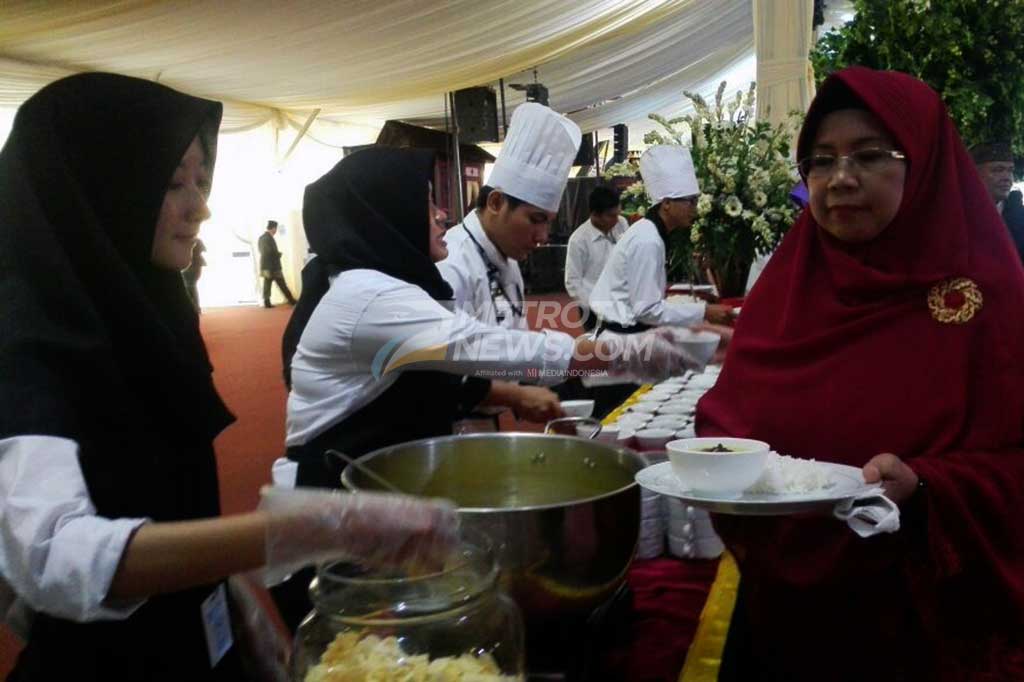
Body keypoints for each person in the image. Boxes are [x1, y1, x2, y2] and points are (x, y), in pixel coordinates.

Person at [0, 74, 460, 682]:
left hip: (187, 638)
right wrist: (296, 530)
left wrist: (230, 594)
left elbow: (167, 499)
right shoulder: (27, 336)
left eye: (202, 178)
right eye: (171, 183)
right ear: (97, 187)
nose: (201, 206)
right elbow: (53, 556)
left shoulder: (145, 307)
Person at [274, 146, 704, 628]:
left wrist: (520, 392)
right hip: (338, 518)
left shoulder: (387, 283)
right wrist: (627, 355)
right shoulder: (369, 295)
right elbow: (483, 348)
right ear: (386, 213)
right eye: (426, 204)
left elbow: (447, 374)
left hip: (379, 504)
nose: (442, 215)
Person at [697, 67, 1024, 680]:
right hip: (784, 623)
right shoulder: (792, 283)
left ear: (924, 163)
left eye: (869, 156)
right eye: (820, 161)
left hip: (921, 626)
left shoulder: (989, 297)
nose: (840, 179)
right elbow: (728, 408)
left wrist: (927, 488)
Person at [437, 102, 581, 422]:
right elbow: (441, 370)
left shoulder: (507, 256)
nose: (543, 236)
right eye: (535, 219)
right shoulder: (452, 263)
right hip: (457, 432)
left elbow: (514, 350)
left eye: (549, 223)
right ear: (496, 202)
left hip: (500, 424)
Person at [586, 146, 735, 415]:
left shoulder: (648, 232)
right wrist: (704, 311)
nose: (694, 208)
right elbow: (648, 310)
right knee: (617, 417)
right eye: (688, 201)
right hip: (624, 341)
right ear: (666, 203)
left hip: (626, 337)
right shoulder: (648, 240)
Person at [564, 185, 628, 332]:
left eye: (617, 214)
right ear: (594, 214)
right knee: (600, 349)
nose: (616, 219)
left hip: (621, 300)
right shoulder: (579, 240)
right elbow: (572, 282)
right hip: (594, 309)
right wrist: (595, 307)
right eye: (611, 216)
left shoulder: (622, 224)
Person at [969, 141, 1024, 262]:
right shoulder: (958, 214)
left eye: (1010, 170)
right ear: (973, 173)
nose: (1007, 178)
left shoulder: (1020, 216)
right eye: (998, 170)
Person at [258, 219, 296, 307]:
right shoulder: (267, 238)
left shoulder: (262, 238)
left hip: (267, 266)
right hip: (272, 266)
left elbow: (263, 251)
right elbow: (268, 251)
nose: (276, 231)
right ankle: (291, 300)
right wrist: (278, 254)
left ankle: (267, 302)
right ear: (273, 228)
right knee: (281, 283)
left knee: (267, 284)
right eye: (275, 228)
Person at [182, 237, 206, 312]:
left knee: (191, 286)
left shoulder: (190, 240)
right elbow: (204, 249)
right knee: (192, 286)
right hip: (195, 265)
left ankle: (194, 308)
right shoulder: (197, 240)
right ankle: (195, 307)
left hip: (192, 266)